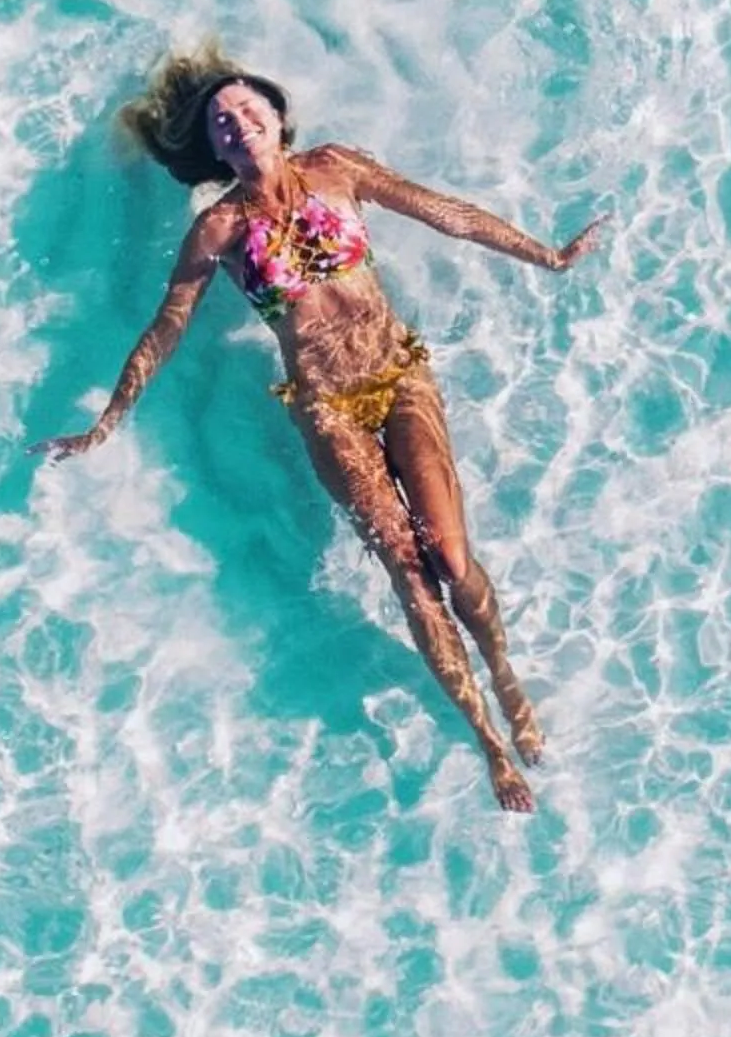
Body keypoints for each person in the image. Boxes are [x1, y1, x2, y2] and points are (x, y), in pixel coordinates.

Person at [33, 47, 604, 811]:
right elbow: (167, 327)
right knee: (408, 569)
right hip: (328, 410)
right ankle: (489, 744)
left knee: (451, 552)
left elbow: (448, 214)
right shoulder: (219, 229)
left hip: (400, 379)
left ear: (275, 116)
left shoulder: (339, 169)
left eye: (246, 109)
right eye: (221, 123)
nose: (236, 124)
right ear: (217, 149)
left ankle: (504, 674)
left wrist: (548, 256)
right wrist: (106, 422)